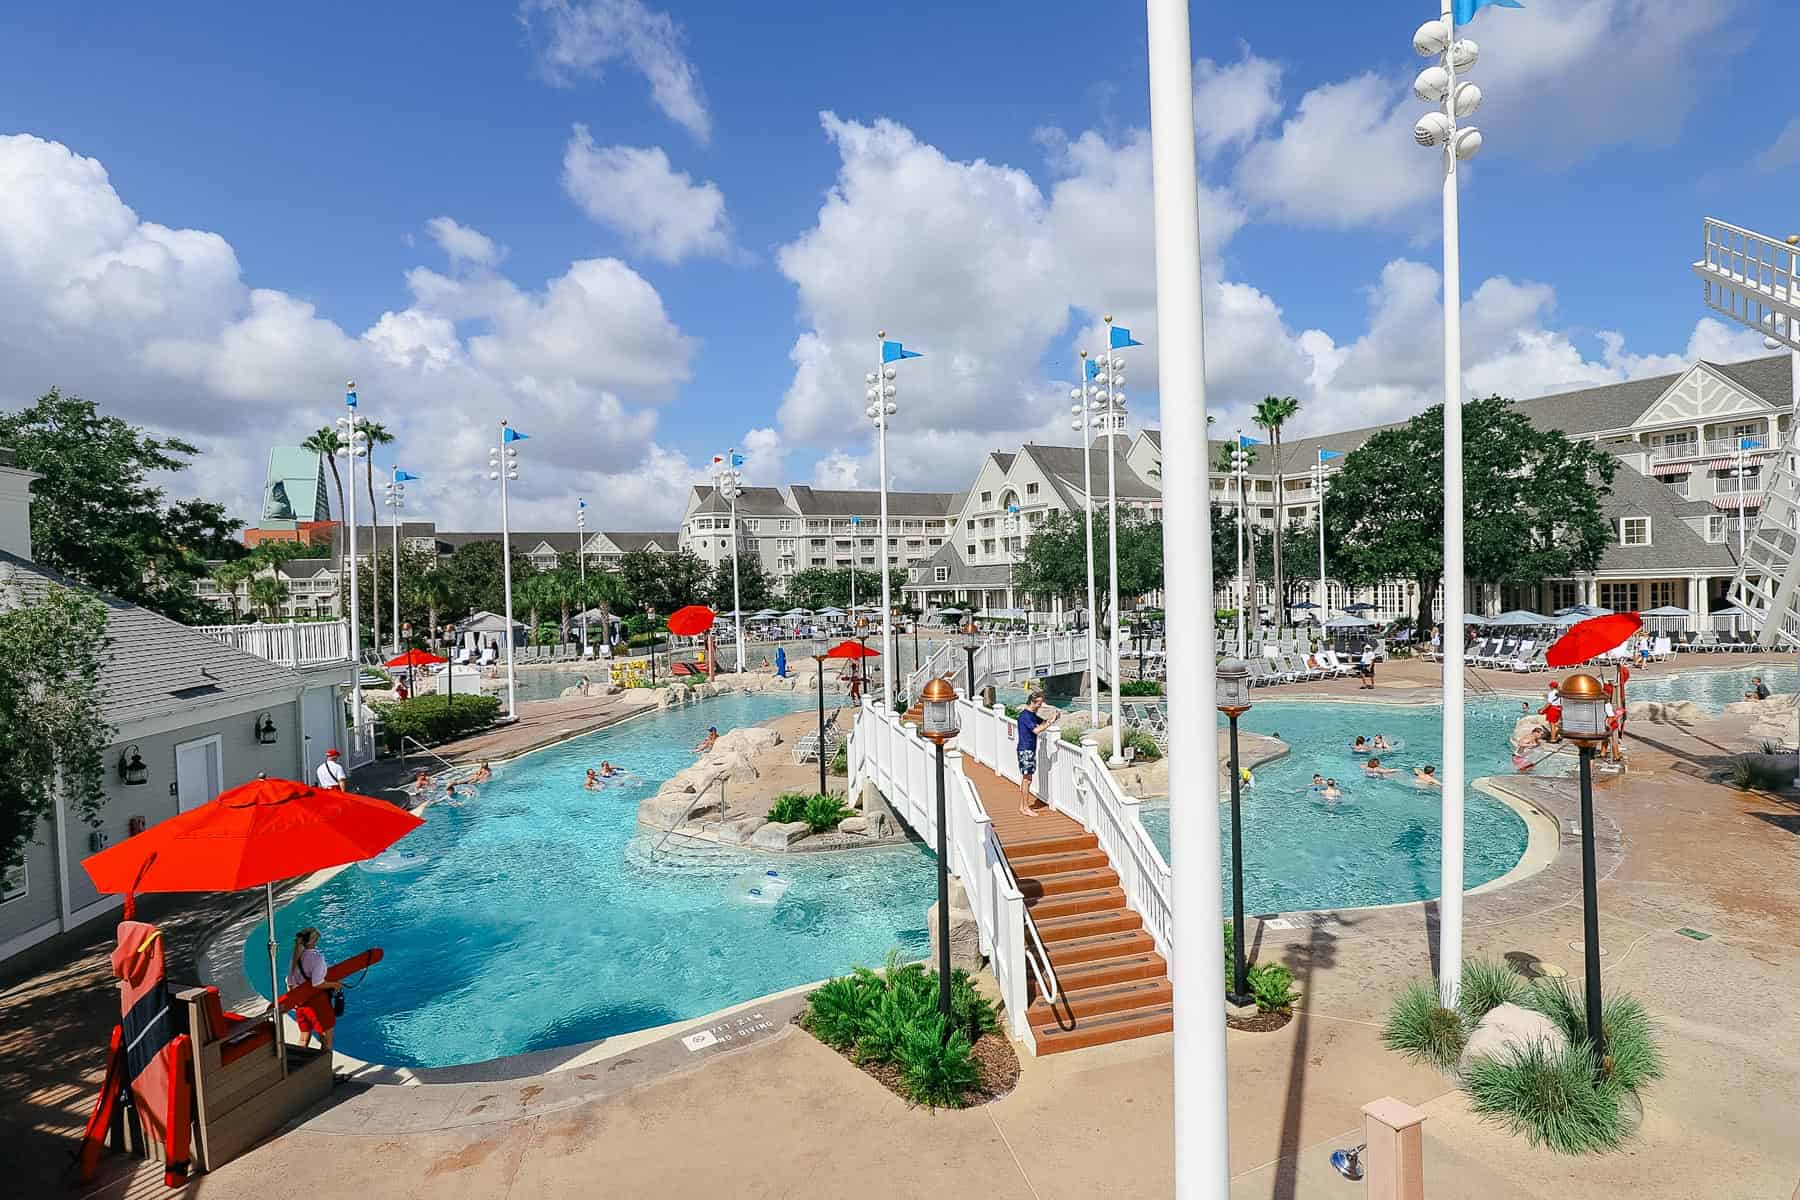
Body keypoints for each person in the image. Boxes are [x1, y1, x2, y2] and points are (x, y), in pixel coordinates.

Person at [286, 927, 343, 1053]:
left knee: (303, 1039)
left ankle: (299, 1066)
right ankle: (324, 1072)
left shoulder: (295, 958)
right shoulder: (317, 958)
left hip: (301, 1005)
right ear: (313, 941)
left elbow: (289, 982)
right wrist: (335, 985)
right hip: (318, 1005)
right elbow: (317, 983)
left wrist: (295, 1001)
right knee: (326, 1041)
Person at [1015, 691, 1055, 817]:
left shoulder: (1032, 714)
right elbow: (1037, 730)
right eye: (1039, 703)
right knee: (1027, 779)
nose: (1040, 706)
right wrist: (1049, 723)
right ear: (1032, 702)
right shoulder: (1025, 716)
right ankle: (1025, 807)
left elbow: (1042, 723)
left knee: (1027, 779)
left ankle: (1023, 806)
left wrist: (1052, 719)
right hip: (1025, 750)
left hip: (1029, 750)